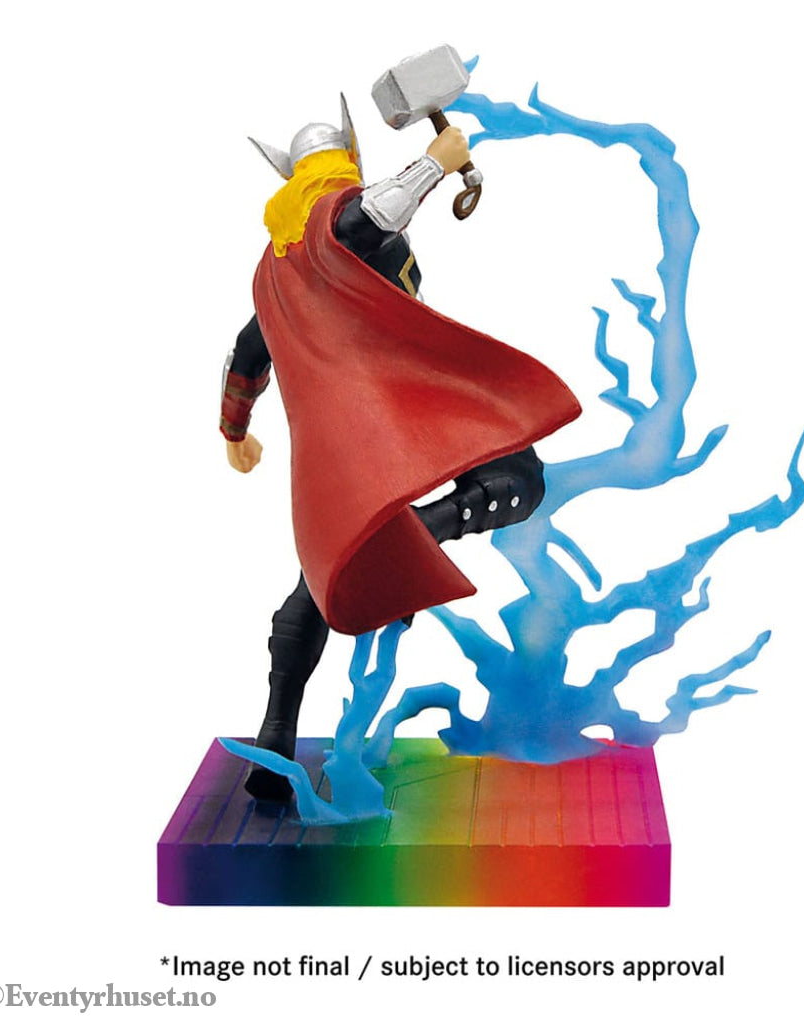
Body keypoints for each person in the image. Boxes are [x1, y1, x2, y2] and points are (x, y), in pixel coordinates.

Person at [220, 100, 580, 799]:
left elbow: (245, 355)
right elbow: (368, 218)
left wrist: (235, 431)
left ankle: (274, 736)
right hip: (398, 419)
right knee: (520, 476)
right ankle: (423, 527)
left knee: (320, 577)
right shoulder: (332, 226)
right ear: (343, 167)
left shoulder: (277, 271)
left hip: (334, 453)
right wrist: (437, 164)